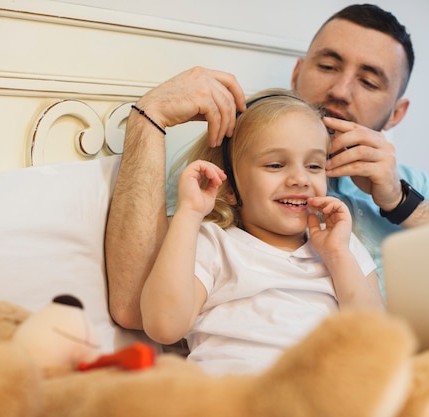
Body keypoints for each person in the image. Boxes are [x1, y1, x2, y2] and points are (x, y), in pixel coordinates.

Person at [105, 4, 429, 331]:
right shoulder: (219, 175)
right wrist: (148, 117)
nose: (341, 90)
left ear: (397, 113)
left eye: (369, 81)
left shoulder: (411, 184)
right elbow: (135, 310)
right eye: (327, 66)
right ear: (297, 72)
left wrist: (400, 201)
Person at [140, 90, 384, 374]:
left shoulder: (343, 246)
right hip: (239, 398)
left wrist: (338, 255)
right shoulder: (214, 243)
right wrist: (189, 214)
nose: (300, 179)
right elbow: (164, 325)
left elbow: (376, 342)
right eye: (275, 165)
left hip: (325, 395)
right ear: (229, 186)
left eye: (314, 165)